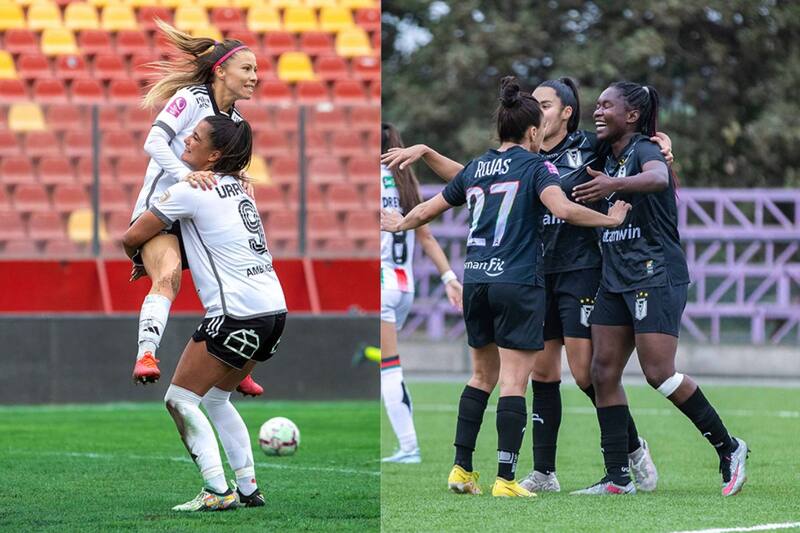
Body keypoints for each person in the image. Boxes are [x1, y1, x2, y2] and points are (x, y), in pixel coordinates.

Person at [381, 78, 673, 493]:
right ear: (531, 126)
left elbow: (632, 148)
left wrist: (660, 146)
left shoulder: (586, 145)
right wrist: (611, 220)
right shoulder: (533, 164)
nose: (540, 109)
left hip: (562, 270)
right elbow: (546, 203)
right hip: (529, 275)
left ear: (565, 113)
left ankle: (628, 449)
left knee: (580, 374)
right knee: (537, 375)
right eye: (535, 105)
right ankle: (534, 474)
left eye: (546, 103)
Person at [569, 82, 748, 496]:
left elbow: (657, 178)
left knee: (658, 373)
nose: (597, 111)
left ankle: (729, 447)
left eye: (607, 106)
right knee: (601, 372)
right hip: (615, 278)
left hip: (655, 273)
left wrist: (613, 185)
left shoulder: (645, 149)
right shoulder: (603, 154)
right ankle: (617, 477)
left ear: (631, 116)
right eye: (597, 105)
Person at [123, 115, 286, 511]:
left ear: (213, 155)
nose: (186, 141)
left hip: (236, 314)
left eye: (194, 137)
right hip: (274, 312)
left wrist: (141, 258)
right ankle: (248, 488)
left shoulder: (191, 191)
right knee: (216, 399)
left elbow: (133, 235)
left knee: (179, 400)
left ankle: (217, 490)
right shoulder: (241, 189)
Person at [129, 20, 263, 397]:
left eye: (255, 70)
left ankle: (237, 365)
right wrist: (185, 176)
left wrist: (241, 180)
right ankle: (146, 354)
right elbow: (154, 142)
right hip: (161, 210)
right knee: (168, 276)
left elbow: (224, 171)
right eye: (247, 69)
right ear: (221, 71)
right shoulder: (191, 98)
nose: (254, 77)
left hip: (200, 219)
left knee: (238, 278)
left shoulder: (236, 122)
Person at [380, 123, 463, 464]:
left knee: (389, 367)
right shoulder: (404, 181)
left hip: (381, 282)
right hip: (405, 286)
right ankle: (407, 445)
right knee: (387, 364)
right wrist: (449, 277)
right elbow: (426, 237)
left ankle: (409, 446)